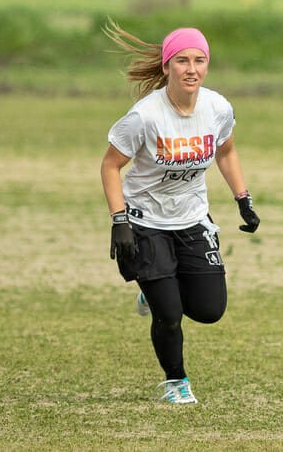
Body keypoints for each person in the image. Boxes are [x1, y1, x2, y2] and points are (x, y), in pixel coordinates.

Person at [100, 21, 260, 404]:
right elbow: (110, 166)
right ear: (167, 66)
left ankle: (151, 292)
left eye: (200, 60)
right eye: (183, 60)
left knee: (209, 310)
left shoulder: (217, 107)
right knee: (169, 314)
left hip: (192, 220)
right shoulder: (145, 116)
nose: (192, 69)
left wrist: (243, 198)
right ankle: (176, 381)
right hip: (145, 221)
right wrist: (119, 222)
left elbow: (226, 152)